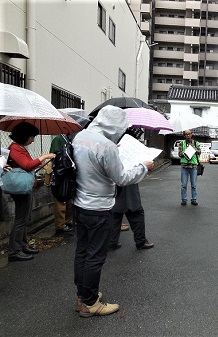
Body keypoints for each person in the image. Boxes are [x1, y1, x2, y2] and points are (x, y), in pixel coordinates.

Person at [72, 106, 154, 317]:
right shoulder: (107, 146)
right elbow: (122, 178)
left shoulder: (80, 137)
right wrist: (144, 166)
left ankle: (82, 296)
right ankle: (91, 304)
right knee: (95, 256)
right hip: (99, 207)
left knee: (82, 251)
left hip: (80, 204)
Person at [6, 122, 56, 262]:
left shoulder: (21, 148)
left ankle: (22, 245)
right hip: (19, 188)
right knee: (21, 219)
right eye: (32, 136)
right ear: (25, 136)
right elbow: (27, 165)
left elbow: (29, 164)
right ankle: (14, 251)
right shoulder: (15, 148)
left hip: (25, 187)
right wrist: (44, 156)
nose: (33, 139)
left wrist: (40, 161)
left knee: (25, 218)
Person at [108, 184, 155, 250]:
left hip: (113, 189)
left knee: (114, 215)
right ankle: (141, 242)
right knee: (136, 213)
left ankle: (111, 242)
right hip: (128, 185)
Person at [50, 135, 73, 234]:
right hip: (60, 173)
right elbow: (54, 156)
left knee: (68, 198)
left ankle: (67, 222)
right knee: (61, 198)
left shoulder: (69, 139)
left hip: (68, 173)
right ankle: (60, 226)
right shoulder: (58, 139)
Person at [178, 129, 201, 206]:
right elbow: (179, 154)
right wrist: (185, 152)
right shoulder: (182, 143)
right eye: (186, 134)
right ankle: (184, 199)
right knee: (184, 184)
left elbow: (199, 152)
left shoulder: (196, 143)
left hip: (193, 166)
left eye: (189, 134)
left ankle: (194, 199)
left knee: (193, 185)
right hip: (184, 166)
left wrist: (193, 148)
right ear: (184, 135)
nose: (188, 135)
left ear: (191, 134)